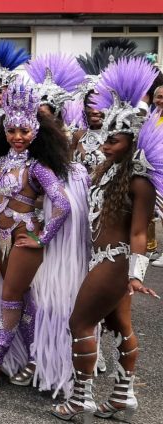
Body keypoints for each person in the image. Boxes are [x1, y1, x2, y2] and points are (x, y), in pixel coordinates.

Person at [52, 58, 161, 422]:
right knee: (119, 326)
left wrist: (136, 275)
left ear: (132, 141)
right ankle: (122, 397)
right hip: (104, 259)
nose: (106, 144)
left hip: (116, 262)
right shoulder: (110, 169)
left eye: (114, 140)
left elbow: (141, 232)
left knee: (79, 324)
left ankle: (80, 400)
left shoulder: (139, 181)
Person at [0, 84, 88, 393]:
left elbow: (63, 204)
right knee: (24, 301)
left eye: (24, 130)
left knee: (10, 299)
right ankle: (36, 357)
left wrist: (42, 239)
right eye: (11, 129)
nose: (17, 136)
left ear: (35, 131)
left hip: (23, 240)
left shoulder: (38, 168)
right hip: (0, 241)